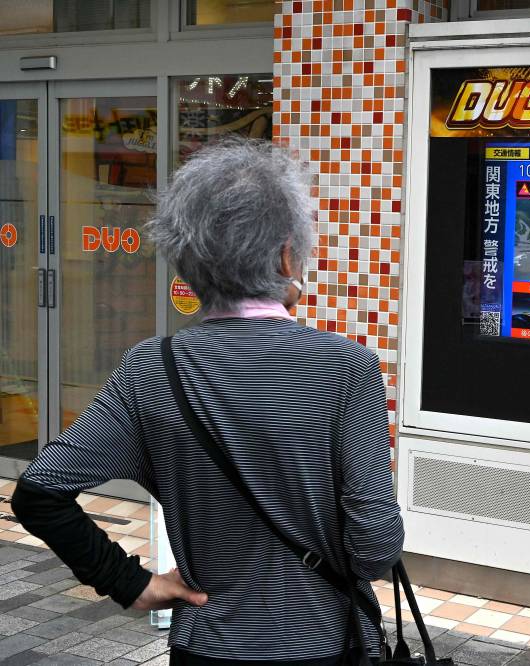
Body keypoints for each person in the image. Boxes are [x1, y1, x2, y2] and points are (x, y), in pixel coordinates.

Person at [12, 139, 404, 664]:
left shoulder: (151, 368)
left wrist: (130, 583)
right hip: (320, 640)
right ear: (289, 254)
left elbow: (39, 492)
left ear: (186, 261)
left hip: (206, 643)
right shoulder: (343, 367)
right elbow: (376, 545)